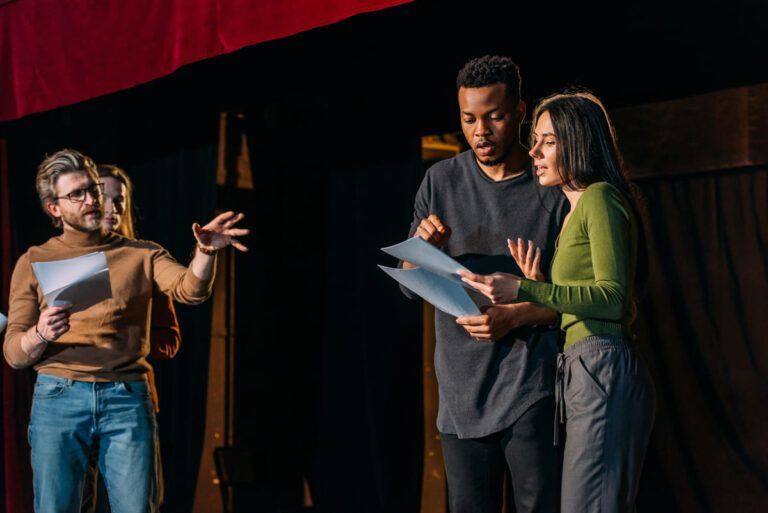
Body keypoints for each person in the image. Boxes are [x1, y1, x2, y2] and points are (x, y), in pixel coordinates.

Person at [3, 149, 248, 513]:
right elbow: (14, 353)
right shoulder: (34, 260)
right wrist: (39, 334)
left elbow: (190, 290)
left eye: (92, 190)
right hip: (59, 397)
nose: (91, 200)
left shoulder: (140, 254)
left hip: (126, 398)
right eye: (77, 194)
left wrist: (205, 253)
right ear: (54, 208)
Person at [459, 91, 656, 512]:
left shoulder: (600, 197)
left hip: (601, 363)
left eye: (548, 141)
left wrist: (525, 289)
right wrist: (541, 284)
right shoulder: (571, 214)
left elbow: (613, 298)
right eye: (536, 140)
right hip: (582, 367)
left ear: (578, 141)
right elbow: (581, 298)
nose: (534, 151)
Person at [401, 55, 568, 513]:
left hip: (530, 384)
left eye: (494, 116)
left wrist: (517, 314)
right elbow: (409, 285)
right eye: (469, 118)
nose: (481, 131)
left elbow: (577, 297)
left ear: (519, 112)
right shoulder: (440, 180)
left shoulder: (550, 187)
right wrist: (423, 251)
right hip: (459, 391)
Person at [80, 164, 182, 513]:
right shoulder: (66, 259)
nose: (112, 207)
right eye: (103, 197)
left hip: (129, 401)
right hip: (74, 401)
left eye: (119, 200)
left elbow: (170, 339)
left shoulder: (145, 260)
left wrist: (129, 342)